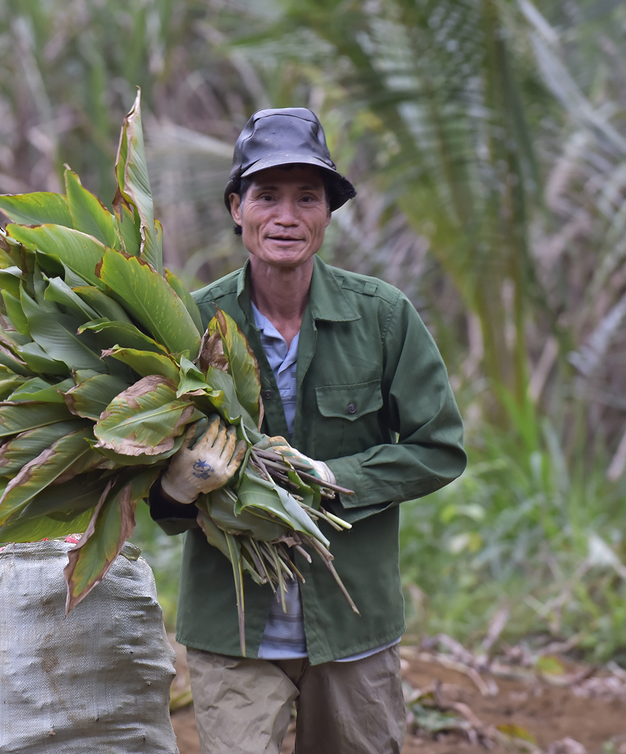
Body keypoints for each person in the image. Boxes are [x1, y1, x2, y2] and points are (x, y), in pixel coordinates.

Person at [150, 107, 467, 753]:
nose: (286, 216)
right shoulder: (189, 325)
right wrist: (175, 489)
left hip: (352, 627)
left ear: (329, 213)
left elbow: (439, 449)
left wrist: (332, 478)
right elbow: (140, 477)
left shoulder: (382, 317)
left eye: (307, 198)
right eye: (267, 196)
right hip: (234, 628)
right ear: (238, 207)